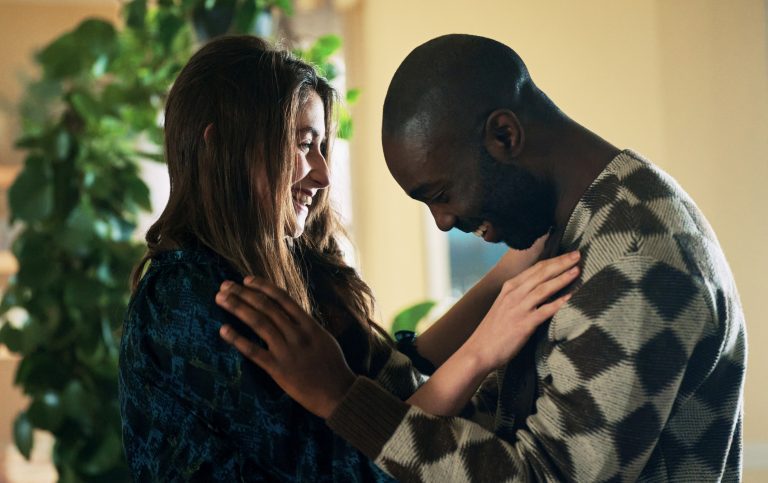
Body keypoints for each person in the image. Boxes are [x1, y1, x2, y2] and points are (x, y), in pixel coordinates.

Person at [217, 34, 747, 482]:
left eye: (441, 194)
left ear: (504, 135)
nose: (444, 222)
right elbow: (483, 422)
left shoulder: (635, 260)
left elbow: (542, 475)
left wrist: (345, 400)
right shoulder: (573, 230)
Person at [119, 35, 580, 481]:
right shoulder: (186, 300)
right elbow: (357, 466)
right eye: (303, 144)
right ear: (219, 147)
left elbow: (392, 384)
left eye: (322, 147)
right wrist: (482, 352)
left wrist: (509, 274)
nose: (322, 175)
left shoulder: (288, 266)